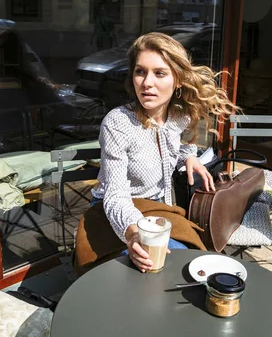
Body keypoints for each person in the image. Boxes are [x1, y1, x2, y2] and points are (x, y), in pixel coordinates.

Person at [91, 32, 237, 272]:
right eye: (140, 71)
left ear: (178, 79)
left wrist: (189, 157)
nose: (147, 82)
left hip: (159, 209)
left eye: (159, 73)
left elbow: (183, 142)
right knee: (158, 269)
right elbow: (115, 195)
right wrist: (134, 233)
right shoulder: (118, 123)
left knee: (193, 264)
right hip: (117, 211)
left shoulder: (181, 115)